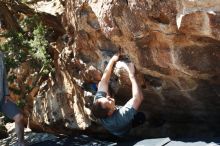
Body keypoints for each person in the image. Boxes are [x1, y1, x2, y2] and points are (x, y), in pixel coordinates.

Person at [91, 54, 144, 136]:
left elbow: (103, 81)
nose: (108, 97)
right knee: (141, 117)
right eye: (108, 101)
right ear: (110, 112)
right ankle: (133, 124)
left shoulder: (99, 103)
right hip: (122, 130)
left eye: (105, 98)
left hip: (112, 121)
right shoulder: (121, 117)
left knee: (103, 86)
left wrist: (112, 60)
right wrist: (132, 75)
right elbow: (138, 98)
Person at [0, 52, 26, 146]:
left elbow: (3, 77)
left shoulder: (0, 55)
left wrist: (6, 93)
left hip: (3, 97)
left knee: (18, 116)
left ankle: (21, 143)